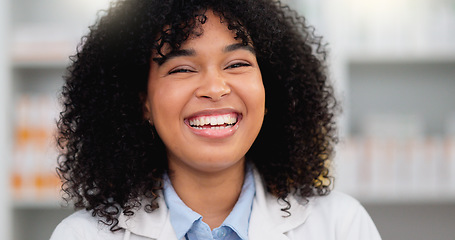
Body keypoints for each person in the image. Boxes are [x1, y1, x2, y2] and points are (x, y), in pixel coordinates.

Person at [50, 0, 381, 239]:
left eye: (237, 64)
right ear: (143, 103)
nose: (214, 88)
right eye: (181, 68)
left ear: (270, 91)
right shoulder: (82, 235)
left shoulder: (340, 226)